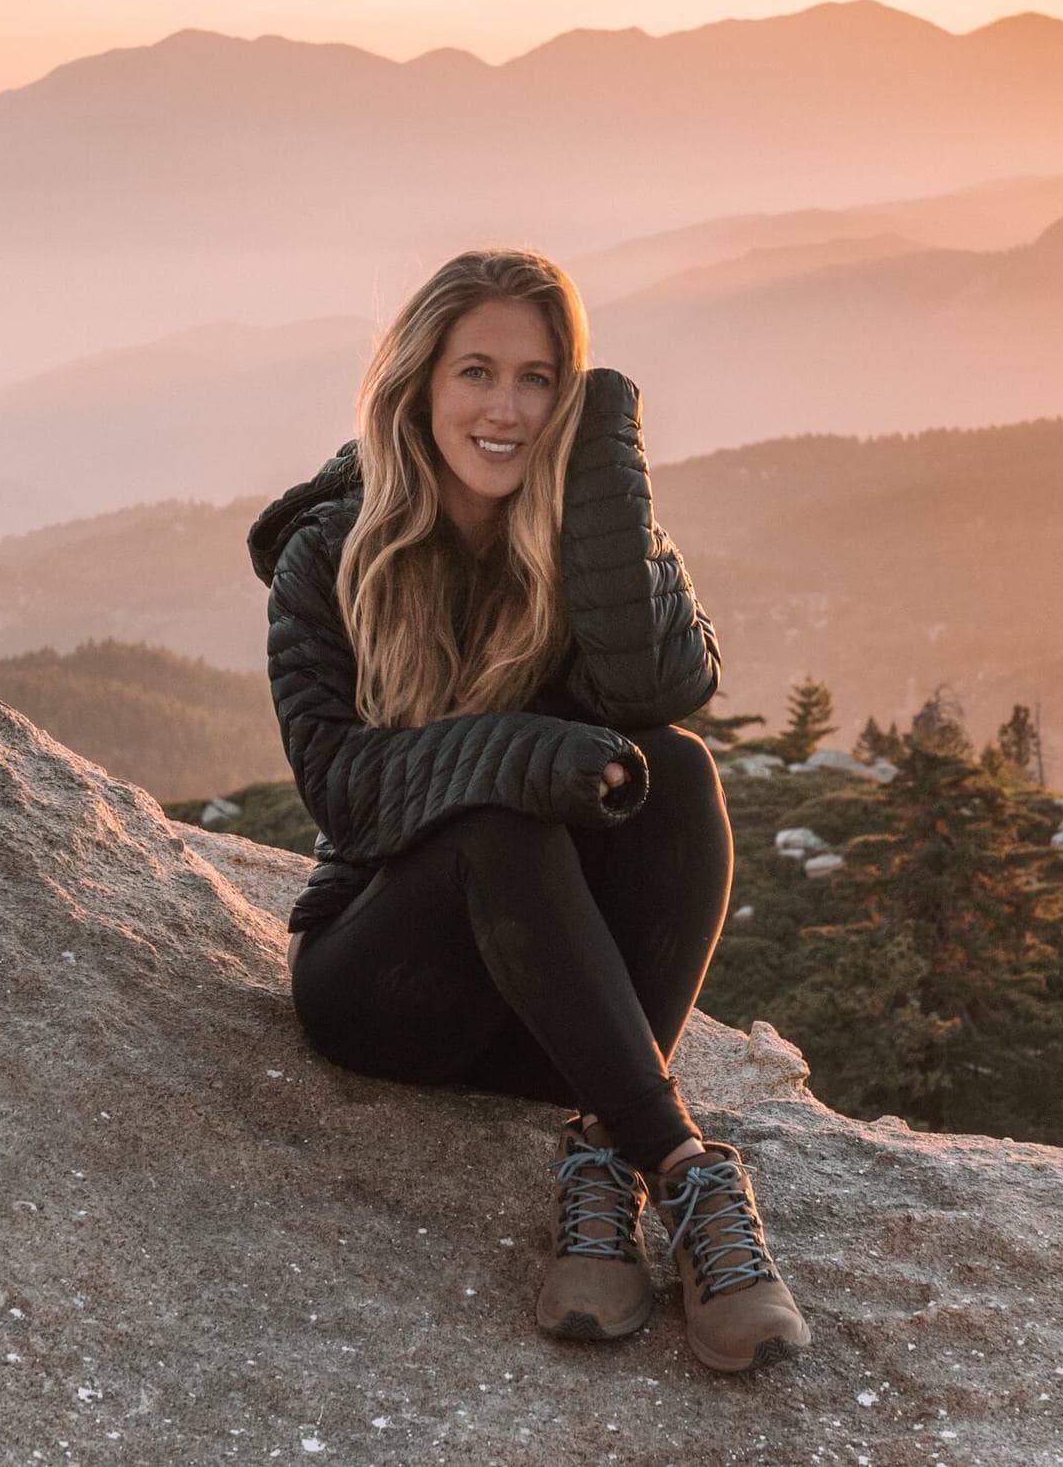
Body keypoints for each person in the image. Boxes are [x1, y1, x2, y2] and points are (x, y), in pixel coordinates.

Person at [245, 248, 810, 1374]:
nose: (505, 409)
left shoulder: (583, 524)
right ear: (417, 383)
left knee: (679, 770)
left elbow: (662, 692)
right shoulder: (329, 553)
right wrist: (534, 757)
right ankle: (683, 1169)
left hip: (552, 1018)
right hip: (390, 991)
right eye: (476, 372)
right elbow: (345, 791)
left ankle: (603, 1159)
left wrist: (604, 456)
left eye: (541, 379)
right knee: (499, 818)